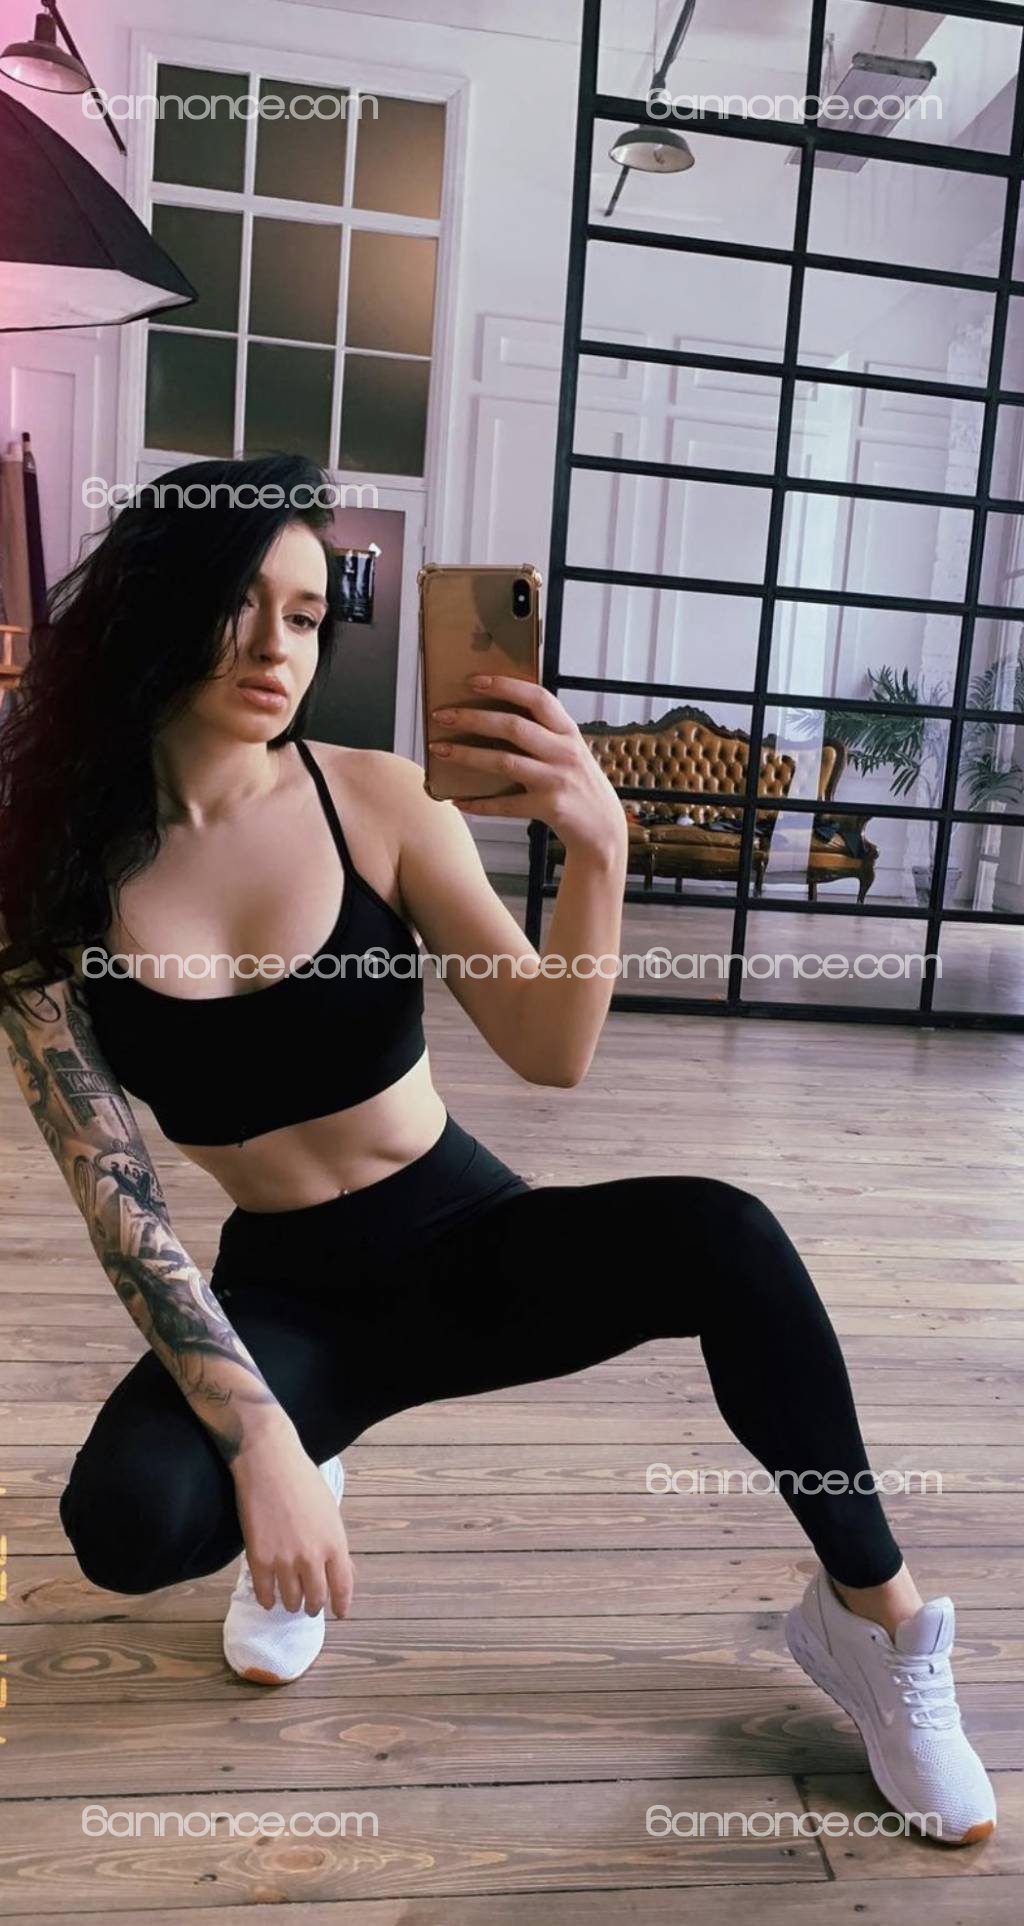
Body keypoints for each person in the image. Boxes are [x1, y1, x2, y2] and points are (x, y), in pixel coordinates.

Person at [0, 453, 995, 1849]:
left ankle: (872, 1622)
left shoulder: (379, 802)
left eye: (307, 614)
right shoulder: (49, 879)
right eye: (242, 603)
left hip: (465, 1243)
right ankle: (316, 1453)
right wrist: (265, 1437)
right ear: (158, 606)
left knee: (727, 1237)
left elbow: (549, 1045)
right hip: (286, 1303)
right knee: (125, 1523)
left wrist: (601, 849)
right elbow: (123, 1206)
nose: (279, 647)